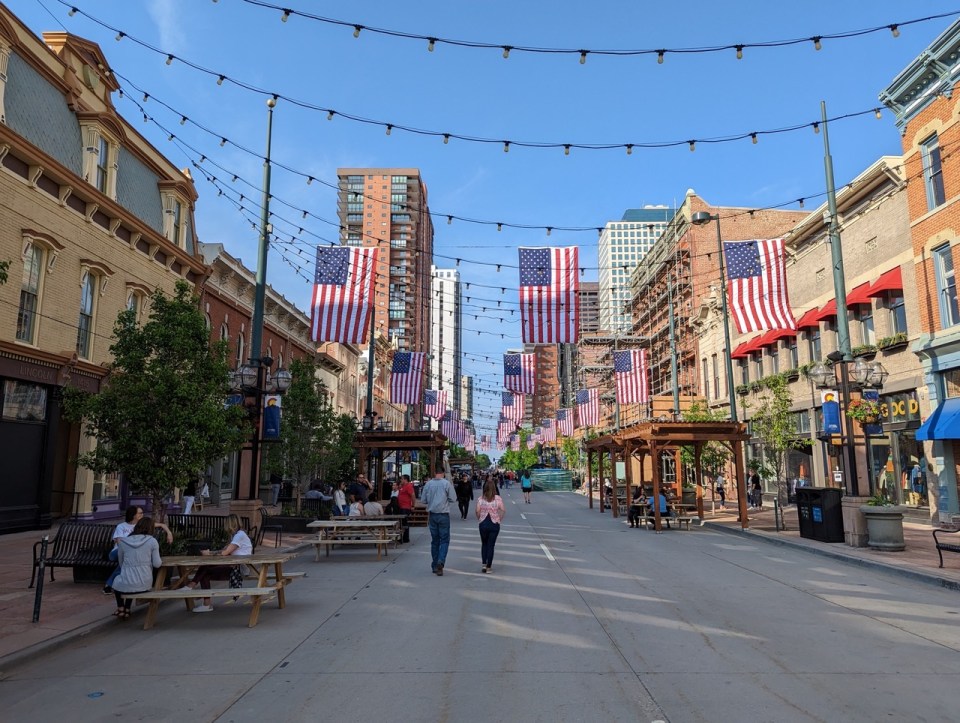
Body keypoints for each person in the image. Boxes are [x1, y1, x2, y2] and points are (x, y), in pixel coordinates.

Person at [180, 514, 252, 612]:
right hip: (232, 566)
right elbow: (224, 550)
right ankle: (206, 604)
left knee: (205, 568)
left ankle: (191, 586)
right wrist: (210, 553)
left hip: (237, 570)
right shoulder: (236, 535)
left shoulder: (239, 535)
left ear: (230, 524)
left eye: (226, 524)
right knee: (205, 572)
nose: (225, 527)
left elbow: (225, 553)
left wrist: (209, 553)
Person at [111, 516, 162, 619]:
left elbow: (121, 563)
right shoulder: (152, 541)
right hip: (145, 583)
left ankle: (121, 607)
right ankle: (127, 608)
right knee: (134, 579)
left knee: (119, 579)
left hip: (126, 583)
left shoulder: (123, 542)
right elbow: (157, 564)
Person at [420, 467, 457, 576]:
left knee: (435, 541)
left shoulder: (428, 484)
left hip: (432, 515)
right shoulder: (446, 484)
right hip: (443, 514)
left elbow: (423, 500)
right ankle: (441, 560)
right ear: (443, 474)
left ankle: (435, 565)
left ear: (435, 473)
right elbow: (453, 498)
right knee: (444, 540)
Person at [103, 505, 143, 594]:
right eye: (140, 513)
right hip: (116, 553)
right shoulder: (121, 526)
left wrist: (166, 528)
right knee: (129, 559)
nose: (142, 515)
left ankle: (108, 585)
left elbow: (157, 524)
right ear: (134, 515)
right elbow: (119, 543)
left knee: (128, 560)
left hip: (129, 555)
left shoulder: (140, 526)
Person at [476, 479, 505, 573]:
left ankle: (484, 564)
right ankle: (489, 567)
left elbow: (477, 511)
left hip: (483, 523)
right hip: (494, 523)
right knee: (491, 545)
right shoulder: (498, 498)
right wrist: (499, 519)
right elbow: (503, 510)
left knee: (484, 544)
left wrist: (479, 519)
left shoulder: (481, 499)